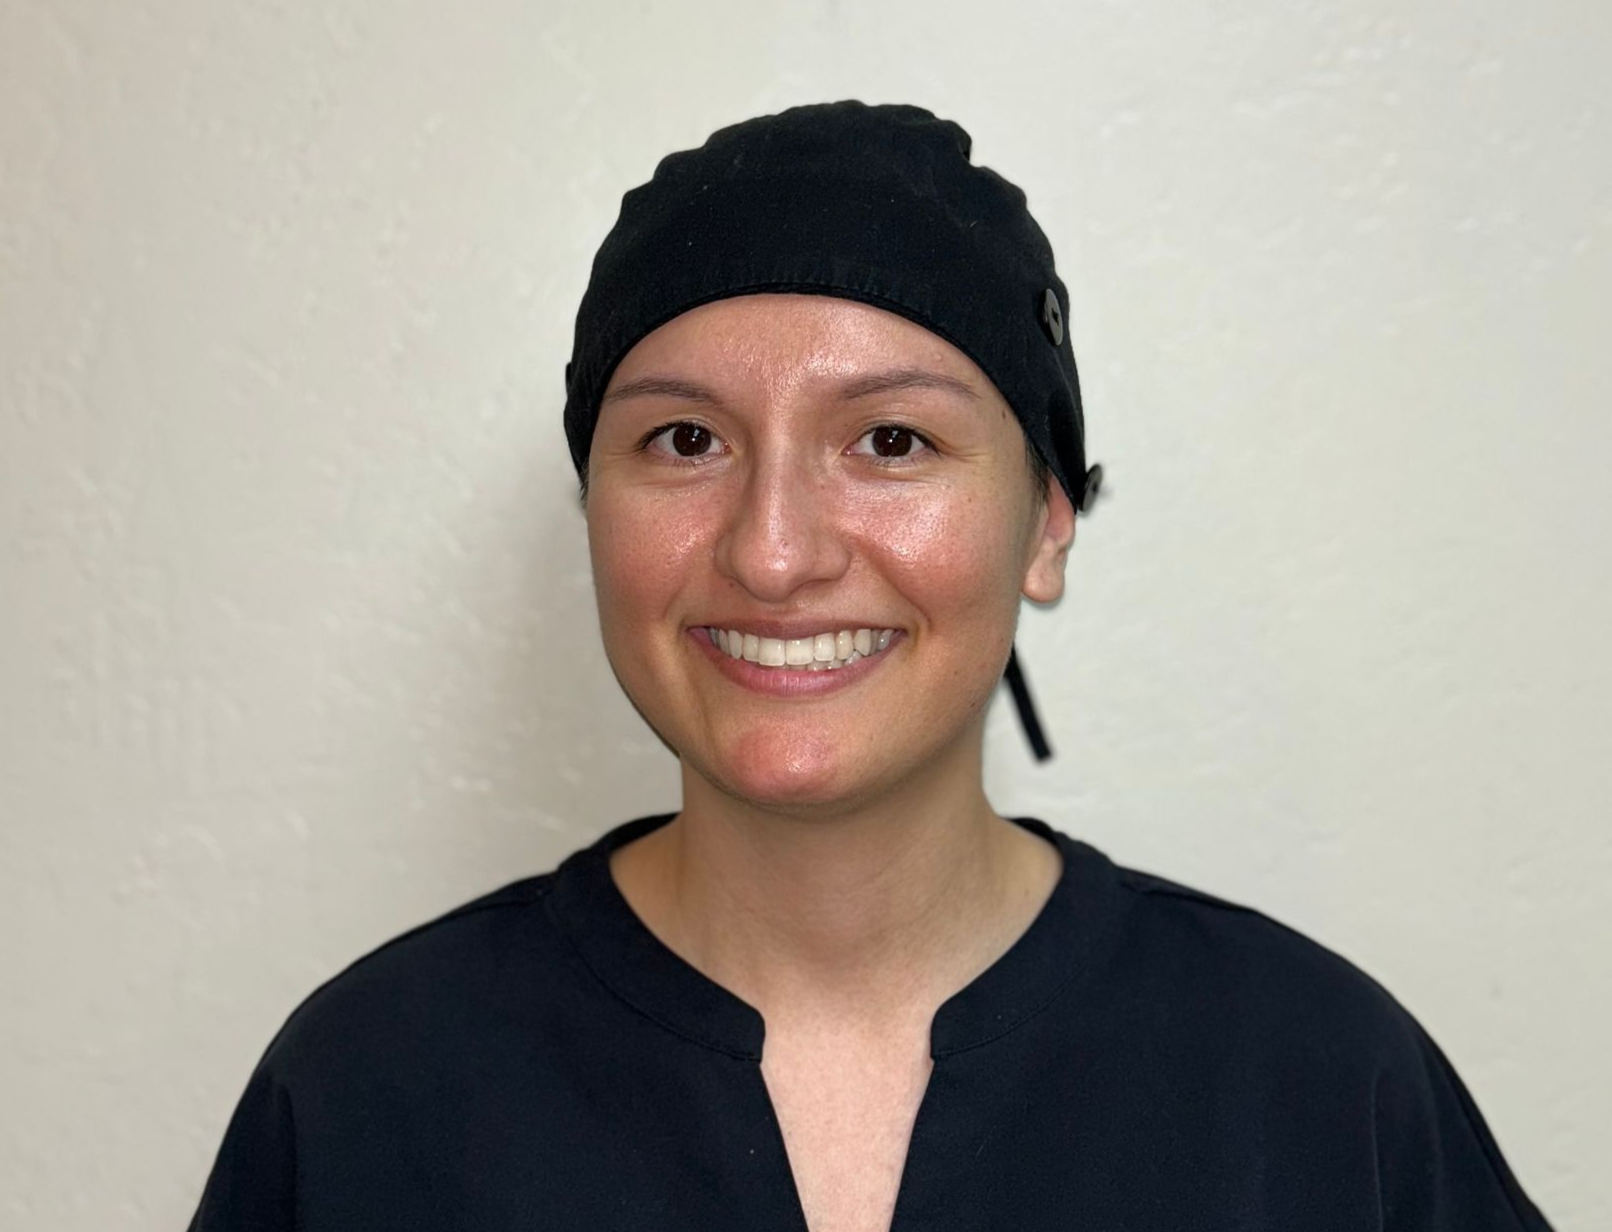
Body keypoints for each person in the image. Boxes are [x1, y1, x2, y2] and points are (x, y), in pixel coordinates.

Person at [187, 100, 1552, 1231]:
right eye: (683, 441)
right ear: (593, 509)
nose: (773, 554)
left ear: (1048, 523)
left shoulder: (1317, 1087)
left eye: (892, 441)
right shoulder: (372, 1092)